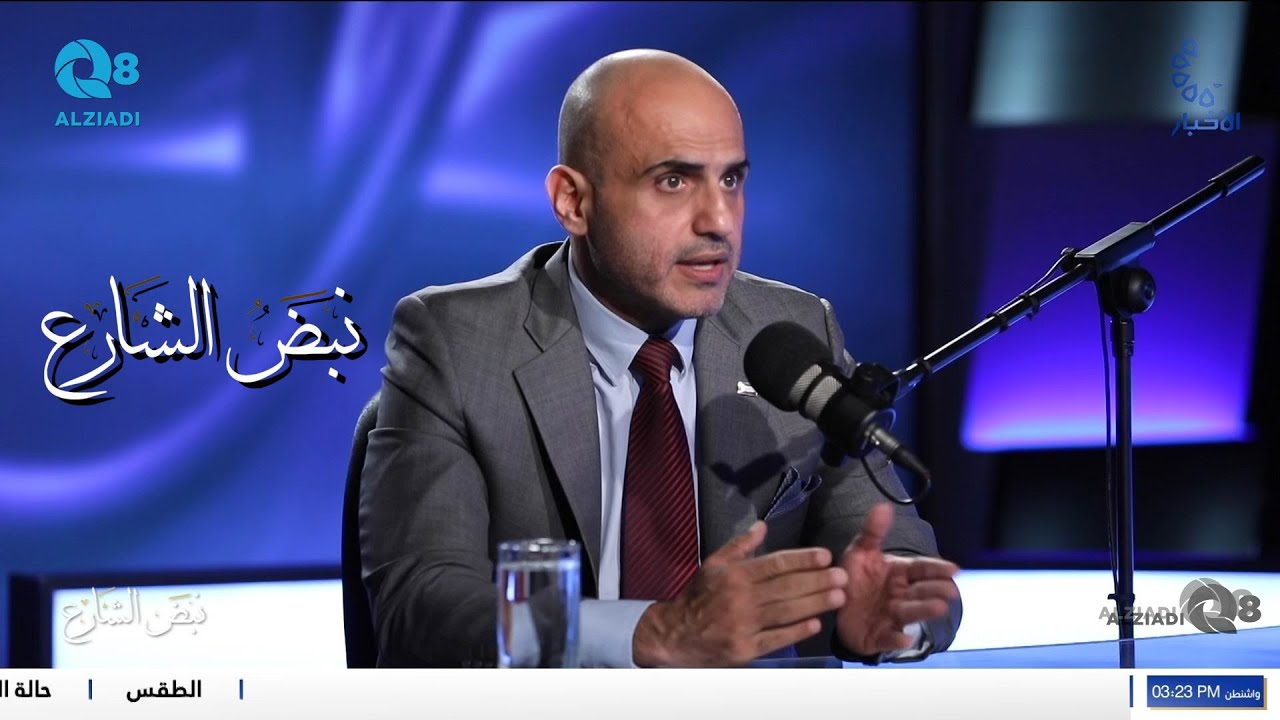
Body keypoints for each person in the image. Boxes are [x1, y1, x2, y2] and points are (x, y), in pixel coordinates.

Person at [359, 49, 962, 668]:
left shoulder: (793, 333)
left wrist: (897, 613)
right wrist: (653, 634)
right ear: (573, 201)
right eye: (673, 181)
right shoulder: (458, 342)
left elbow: (896, 557)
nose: (719, 221)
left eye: (732, 180)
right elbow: (421, 605)